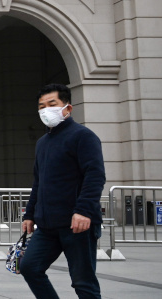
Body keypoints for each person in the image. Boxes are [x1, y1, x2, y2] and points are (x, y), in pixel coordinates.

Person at [20, 84, 105, 299]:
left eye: (52, 104)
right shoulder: (42, 143)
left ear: (67, 108)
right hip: (47, 225)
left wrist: (84, 210)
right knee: (29, 267)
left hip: (77, 223)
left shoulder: (83, 136)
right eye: (41, 106)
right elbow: (38, 182)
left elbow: (95, 176)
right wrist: (29, 214)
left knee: (83, 282)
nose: (45, 110)